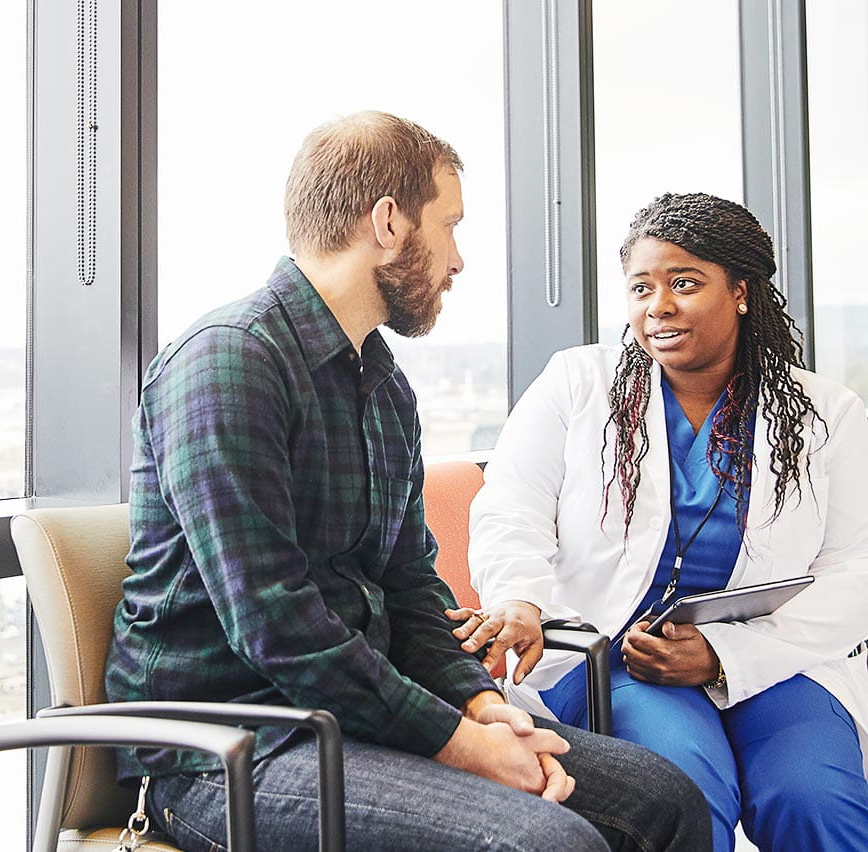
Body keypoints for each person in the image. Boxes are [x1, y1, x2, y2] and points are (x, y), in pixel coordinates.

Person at [104, 112, 710, 852]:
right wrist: (459, 742)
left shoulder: (383, 389)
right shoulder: (228, 363)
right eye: (450, 225)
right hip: (227, 751)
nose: (458, 261)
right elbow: (276, 624)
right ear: (388, 223)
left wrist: (481, 705)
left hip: (352, 722)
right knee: (547, 843)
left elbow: (411, 589)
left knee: (664, 800)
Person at [461, 192, 868, 852]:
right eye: (641, 287)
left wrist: (723, 655)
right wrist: (521, 600)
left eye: (685, 284)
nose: (659, 306)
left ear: (740, 291)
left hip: (775, 656)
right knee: (681, 786)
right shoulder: (576, 385)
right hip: (614, 654)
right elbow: (511, 510)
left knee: (812, 796)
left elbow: (855, 572)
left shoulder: (828, 414)